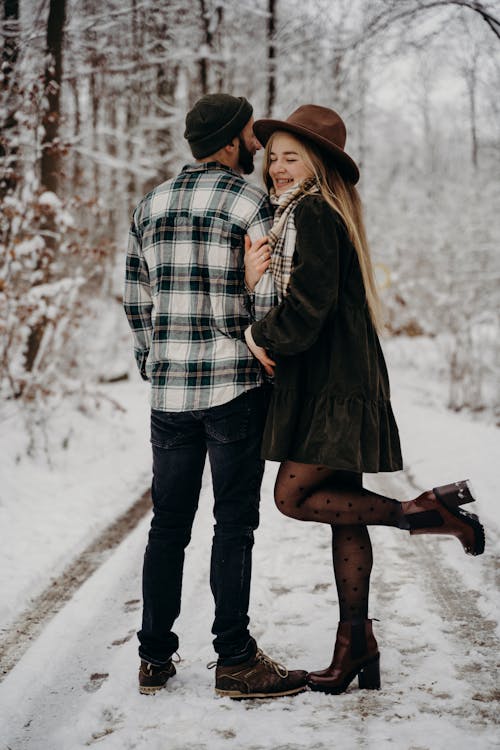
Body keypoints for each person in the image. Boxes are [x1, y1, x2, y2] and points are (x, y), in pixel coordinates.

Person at [243, 104, 485, 695]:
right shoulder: (304, 213)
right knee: (343, 509)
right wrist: (257, 285)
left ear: (319, 162)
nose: (276, 167)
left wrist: (258, 334)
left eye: (290, 157)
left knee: (292, 497)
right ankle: (356, 644)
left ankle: (426, 512)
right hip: (334, 377)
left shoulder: (317, 214)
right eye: (272, 157)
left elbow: (309, 307)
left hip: (334, 384)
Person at [123, 93, 307, 699]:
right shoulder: (254, 203)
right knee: (234, 525)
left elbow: (136, 302)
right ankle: (233, 656)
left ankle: (154, 656)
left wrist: (156, 361)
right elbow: (265, 307)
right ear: (230, 141)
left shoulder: (148, 205)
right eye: (251, 135)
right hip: (233, 388)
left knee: (167, 525)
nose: (258, 145)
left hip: (170, 395)